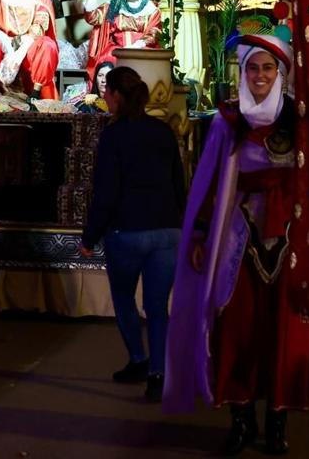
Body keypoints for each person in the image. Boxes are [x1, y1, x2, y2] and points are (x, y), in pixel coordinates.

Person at [164, 31, 309, 456]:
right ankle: (241, 421)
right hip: (236, 245)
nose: (260, 75)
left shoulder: (301, 122)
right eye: (252, 68)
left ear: (280, 73)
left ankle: (277, 424)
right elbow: (208, 183)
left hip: (288, 243)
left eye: (268, 67)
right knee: (237, 331)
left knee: (281, 334)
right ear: (243, 73)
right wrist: (203, 233)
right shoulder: (226, 122)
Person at [79, 67, 184, 402]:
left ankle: (138, 359)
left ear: (118, 96)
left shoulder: (114, 135)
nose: (105, 99)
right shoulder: (163, 131)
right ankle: (158, 374)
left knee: (123, 297)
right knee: (157, 307)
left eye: (107, 93)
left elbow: (106, 192)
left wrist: (89, 236)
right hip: (166, 231)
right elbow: (178, 182)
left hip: (127, 231)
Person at [84, 0, 161, 79]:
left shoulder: (152, 9)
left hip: (143, 49)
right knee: (107, 61)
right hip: (116, 51)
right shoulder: (113, 6)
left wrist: (136, 46)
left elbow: (154, 32)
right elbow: (92, 18)